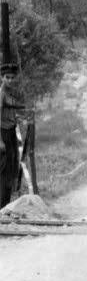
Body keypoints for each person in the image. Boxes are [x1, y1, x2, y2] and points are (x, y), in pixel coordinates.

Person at [0, 63, 23, 208]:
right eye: (7, 77)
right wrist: (0, 141)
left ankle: (6, 205)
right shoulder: (1, 93)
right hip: (3, 133)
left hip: (11, 132)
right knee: (3, 171)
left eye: (12, 77)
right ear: (1, 78)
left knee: (12, 168)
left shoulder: (11, 93)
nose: (9, 80)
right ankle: (1, 206)